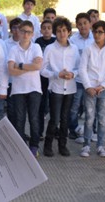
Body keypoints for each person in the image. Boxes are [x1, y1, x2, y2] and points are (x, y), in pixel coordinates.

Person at [41, 17, 80, 157]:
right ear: (54, 32)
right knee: (55, 118)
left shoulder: (74, 48)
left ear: (69, 32)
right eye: (58, 31)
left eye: (64, 30)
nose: (62, 33)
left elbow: (78, 67)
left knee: (65, 118)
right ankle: (48, 145)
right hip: (56, 88)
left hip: (70, 88)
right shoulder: (50, 49)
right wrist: (58, 74)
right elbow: (43, 70)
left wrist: (72, 74)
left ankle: (62, 145)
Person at [79, 21, 105, 158]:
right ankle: (86, 145)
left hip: (104, 89)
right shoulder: (88, 49)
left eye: (100, 32)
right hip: (90, 89)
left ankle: (101, 145)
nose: (96, 34)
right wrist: (88, 86)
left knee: (102, 118)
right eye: (95, 31)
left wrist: (103, 85)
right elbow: (82, 69)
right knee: (89, 118)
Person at [8, 20, 43, 158]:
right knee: (19, 119)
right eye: (23, 31)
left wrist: (20, 66)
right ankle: (21, 146)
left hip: (34, 89)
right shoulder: (13, 49)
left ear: (32, 34)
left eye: (28, 32)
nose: (25, 34)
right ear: (18, 32)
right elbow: (11, 70)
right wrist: (29, 67)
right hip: (18, 90)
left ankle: (34, 146)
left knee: (34, 118)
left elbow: (38, 66)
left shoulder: (36, 47)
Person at [68, 12, 94, 143]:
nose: (83, 26)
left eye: (85, 23)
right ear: (76, 25)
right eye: (80, 24)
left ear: (90, 24)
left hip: (91, 79)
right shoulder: (72, 40)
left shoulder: (95, 39)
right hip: (77, 79)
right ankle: (72, 129)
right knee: (75, 106)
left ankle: (91, 130)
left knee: (90, 106)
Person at [35, 19, 56, 140]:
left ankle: (54, 131)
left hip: (53, 76)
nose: (47, 30)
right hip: (41, 77)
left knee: (54, 106)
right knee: (41, 106)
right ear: (41, 30)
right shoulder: (38, 42)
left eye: (49, 28)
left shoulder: (55, 41)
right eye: (44, 28)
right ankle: (40, 131)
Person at [4, 17, 22, 126]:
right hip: (10, 81)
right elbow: (7, 62)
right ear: (11, 30)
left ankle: (20, 133)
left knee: (21, 110)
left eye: (20, 28)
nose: (17, 30)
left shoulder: (27, 43)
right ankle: (12, 132)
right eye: (14, 28)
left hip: (22, 81)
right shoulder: (5, 43)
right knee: (11, 109)